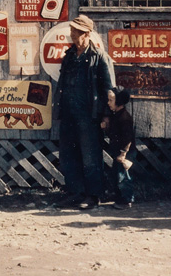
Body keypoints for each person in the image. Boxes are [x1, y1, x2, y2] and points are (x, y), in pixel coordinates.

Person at [56, 14, 114, 209]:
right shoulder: (69, 56)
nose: (73, 35)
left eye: (78, 32)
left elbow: (109, 89)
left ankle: (93, 196)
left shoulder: (99, 57)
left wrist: (106, 115)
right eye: (72, 31)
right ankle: (74, 193)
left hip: (89, 116)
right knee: (68, 156)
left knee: (90, 157)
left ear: (88, 34)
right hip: (68, 114)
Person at [101, 86, 135, 209]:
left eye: (111, 100)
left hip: (125, 152)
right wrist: (106, 127)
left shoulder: (124, 118)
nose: (108, 103)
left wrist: (123, 153)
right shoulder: (116, 116)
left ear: (119, 101)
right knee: (117, 174)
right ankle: (119, 197)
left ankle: (127, 200)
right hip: (117, 151)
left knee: (124, 176)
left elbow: (128, 137)